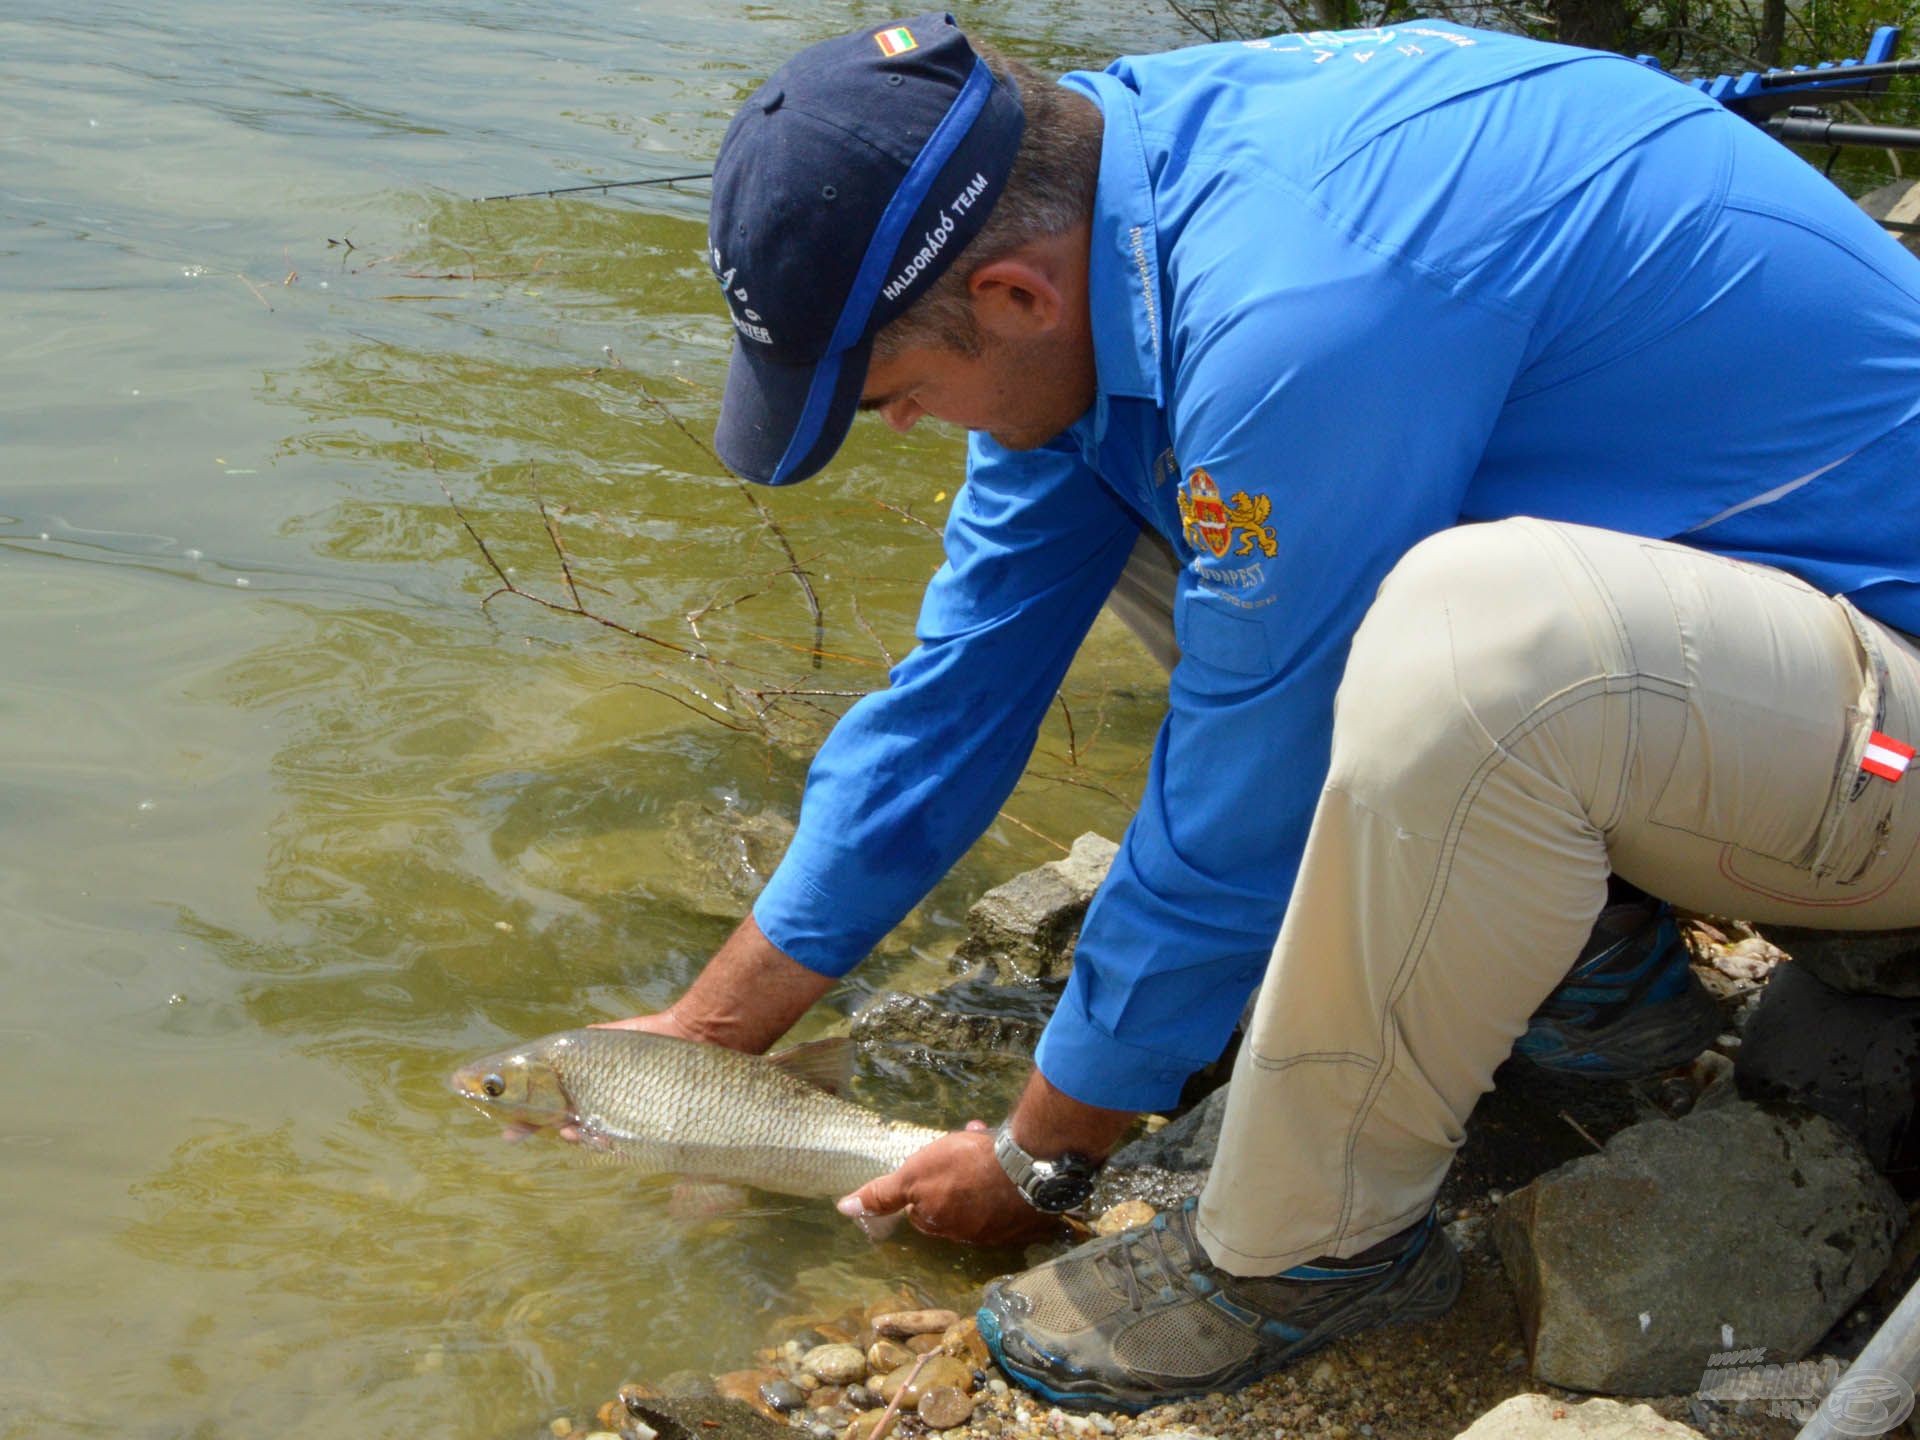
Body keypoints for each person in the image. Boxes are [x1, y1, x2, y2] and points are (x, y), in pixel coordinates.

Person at [607, 10, 1920, 1410]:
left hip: (1886, 734)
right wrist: (711, 1034)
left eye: (897, 397)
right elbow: (957, 688)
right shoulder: (1118, 197)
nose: (914, 429)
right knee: (1178, 515)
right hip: (1759, 690)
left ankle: (1311, 1245)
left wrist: (1044, 1149)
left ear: (1008, 299)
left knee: (1467, 635)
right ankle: (1595, 975)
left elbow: (1251, 779)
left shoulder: (1297, 309)